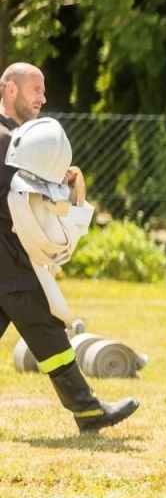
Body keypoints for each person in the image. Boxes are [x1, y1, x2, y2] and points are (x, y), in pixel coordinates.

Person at [0, 116, 137, 432]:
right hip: (8, 262)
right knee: (45, 330)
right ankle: (88, 411)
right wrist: (57, 185)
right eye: (36, 88)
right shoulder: (4, 139)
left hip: (9, 258)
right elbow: (18, 193)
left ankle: (87, 410)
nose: (43, 96)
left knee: (43, 329)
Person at [1, 63, 48, 130]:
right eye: (36, 90)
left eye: (43, 92)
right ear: (12, 90)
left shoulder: (21, 135)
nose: (43, 100)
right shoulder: (5, 137)